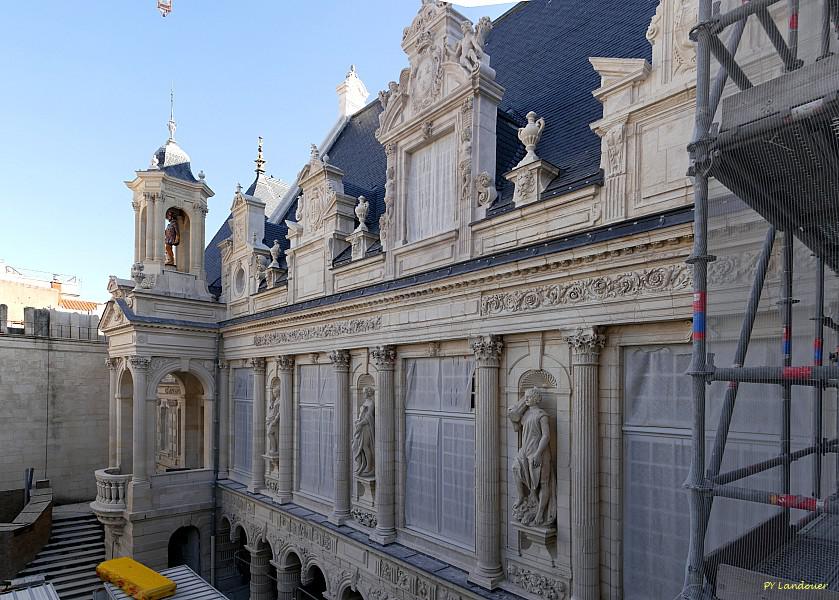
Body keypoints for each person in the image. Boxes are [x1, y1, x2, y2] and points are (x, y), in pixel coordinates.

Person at [509, 387, 556, 527]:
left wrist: (538, 453)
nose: (526, 399)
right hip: (525, 451)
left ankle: (540, 513)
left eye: (529, 397)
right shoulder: (526, 415)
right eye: (525, 397)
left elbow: (546, 436)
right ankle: (522, 497)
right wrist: (512, 413)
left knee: (543, 483)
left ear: (536, 399)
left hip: (539, 453)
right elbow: (516, 428)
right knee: (515, 467)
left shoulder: (542, 415)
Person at [352, 387, 376, 477]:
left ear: (368, 393)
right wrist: (358, 421)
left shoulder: (371, 403)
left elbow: (368, 417)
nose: (363, 394)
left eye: (364, 392)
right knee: (358, 447)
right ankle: (362, 465)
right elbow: (362, 415)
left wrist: (361, 423)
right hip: (361, 427)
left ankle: (369, 467)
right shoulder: (366, 402)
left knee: (365, 446)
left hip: (367, 428)